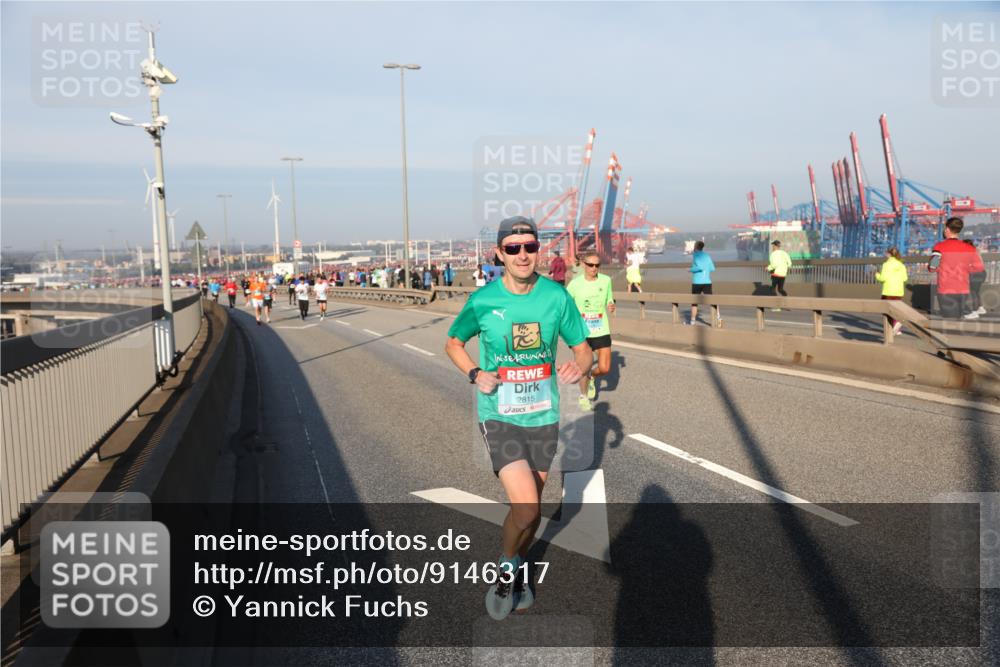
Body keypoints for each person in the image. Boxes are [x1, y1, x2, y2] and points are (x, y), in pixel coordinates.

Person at [445, 216, 591, 621]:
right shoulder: (483, 301)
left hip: (543, 415)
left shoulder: (556, 297)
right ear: (499, 254)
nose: (523, 254)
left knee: (533, 511)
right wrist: (475, 373)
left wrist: (580, 365)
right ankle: (506, 570)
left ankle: (519, 570)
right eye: (513, 248)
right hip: (500, 416)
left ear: (538, 251)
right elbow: (453, 343)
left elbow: (584, 349)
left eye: (530, 246)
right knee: (525, 509)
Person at [566, 250, 616, 409]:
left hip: (601, 329)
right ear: (583, 265)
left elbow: (609, 297)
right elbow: (566, 305)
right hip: (582, 332)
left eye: (597, 265)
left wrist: (611, 304)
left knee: (604, 368)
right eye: (590, 265)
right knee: (583, 367)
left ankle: (592, 377)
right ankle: (583, 396)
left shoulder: (606, 280)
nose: (594, 268)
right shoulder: (574, 284)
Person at [929, 217, 978, 319]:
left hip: (945, 289)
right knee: (959, 320)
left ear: (947, 229)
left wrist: (940, 269)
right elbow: (976, 268)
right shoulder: (970, 248)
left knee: (949, 322)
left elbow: (932, 267)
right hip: (963, 289)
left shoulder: (939, 247)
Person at [875, 246, 908, 335]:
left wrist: (877, 275)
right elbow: (905, 278)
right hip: (898, 291)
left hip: (888, 291)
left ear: (889, 254)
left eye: (886, 253)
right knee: (895, 309)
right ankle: (895, 327)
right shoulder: (901, 265)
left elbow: (883, 278)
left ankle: (894, 326)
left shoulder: (886, 264)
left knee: (886, 311)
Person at [688, 241, 719, 325]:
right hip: (707, 282)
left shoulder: (696, 255)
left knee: (694, 302)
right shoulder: (707, 256)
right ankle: (717, 318)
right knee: (711, 300)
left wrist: (691, 269)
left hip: (697, 282)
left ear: (696, 247)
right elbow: (712, 268)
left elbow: (699, 267)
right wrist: (706, 269)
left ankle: (692, 321)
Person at [964, 239, 987, 319]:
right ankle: (981, 308)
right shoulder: (975, 251)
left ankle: (974, 312)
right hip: (982, 273)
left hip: (975, 274)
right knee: (976, 292)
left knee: (973, 292)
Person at [767, 240, 792, 311]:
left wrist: (768, 268)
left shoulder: (773, 254)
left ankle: (776, 307)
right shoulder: (784, 253)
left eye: (773, 246)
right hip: (783, 274)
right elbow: (789, 263)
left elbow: (773, 265)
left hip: (776, 273)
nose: (772, 247)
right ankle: (787, 303)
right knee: (780, 289)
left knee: (772, 289)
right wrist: (787, 268)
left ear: (775, 246)